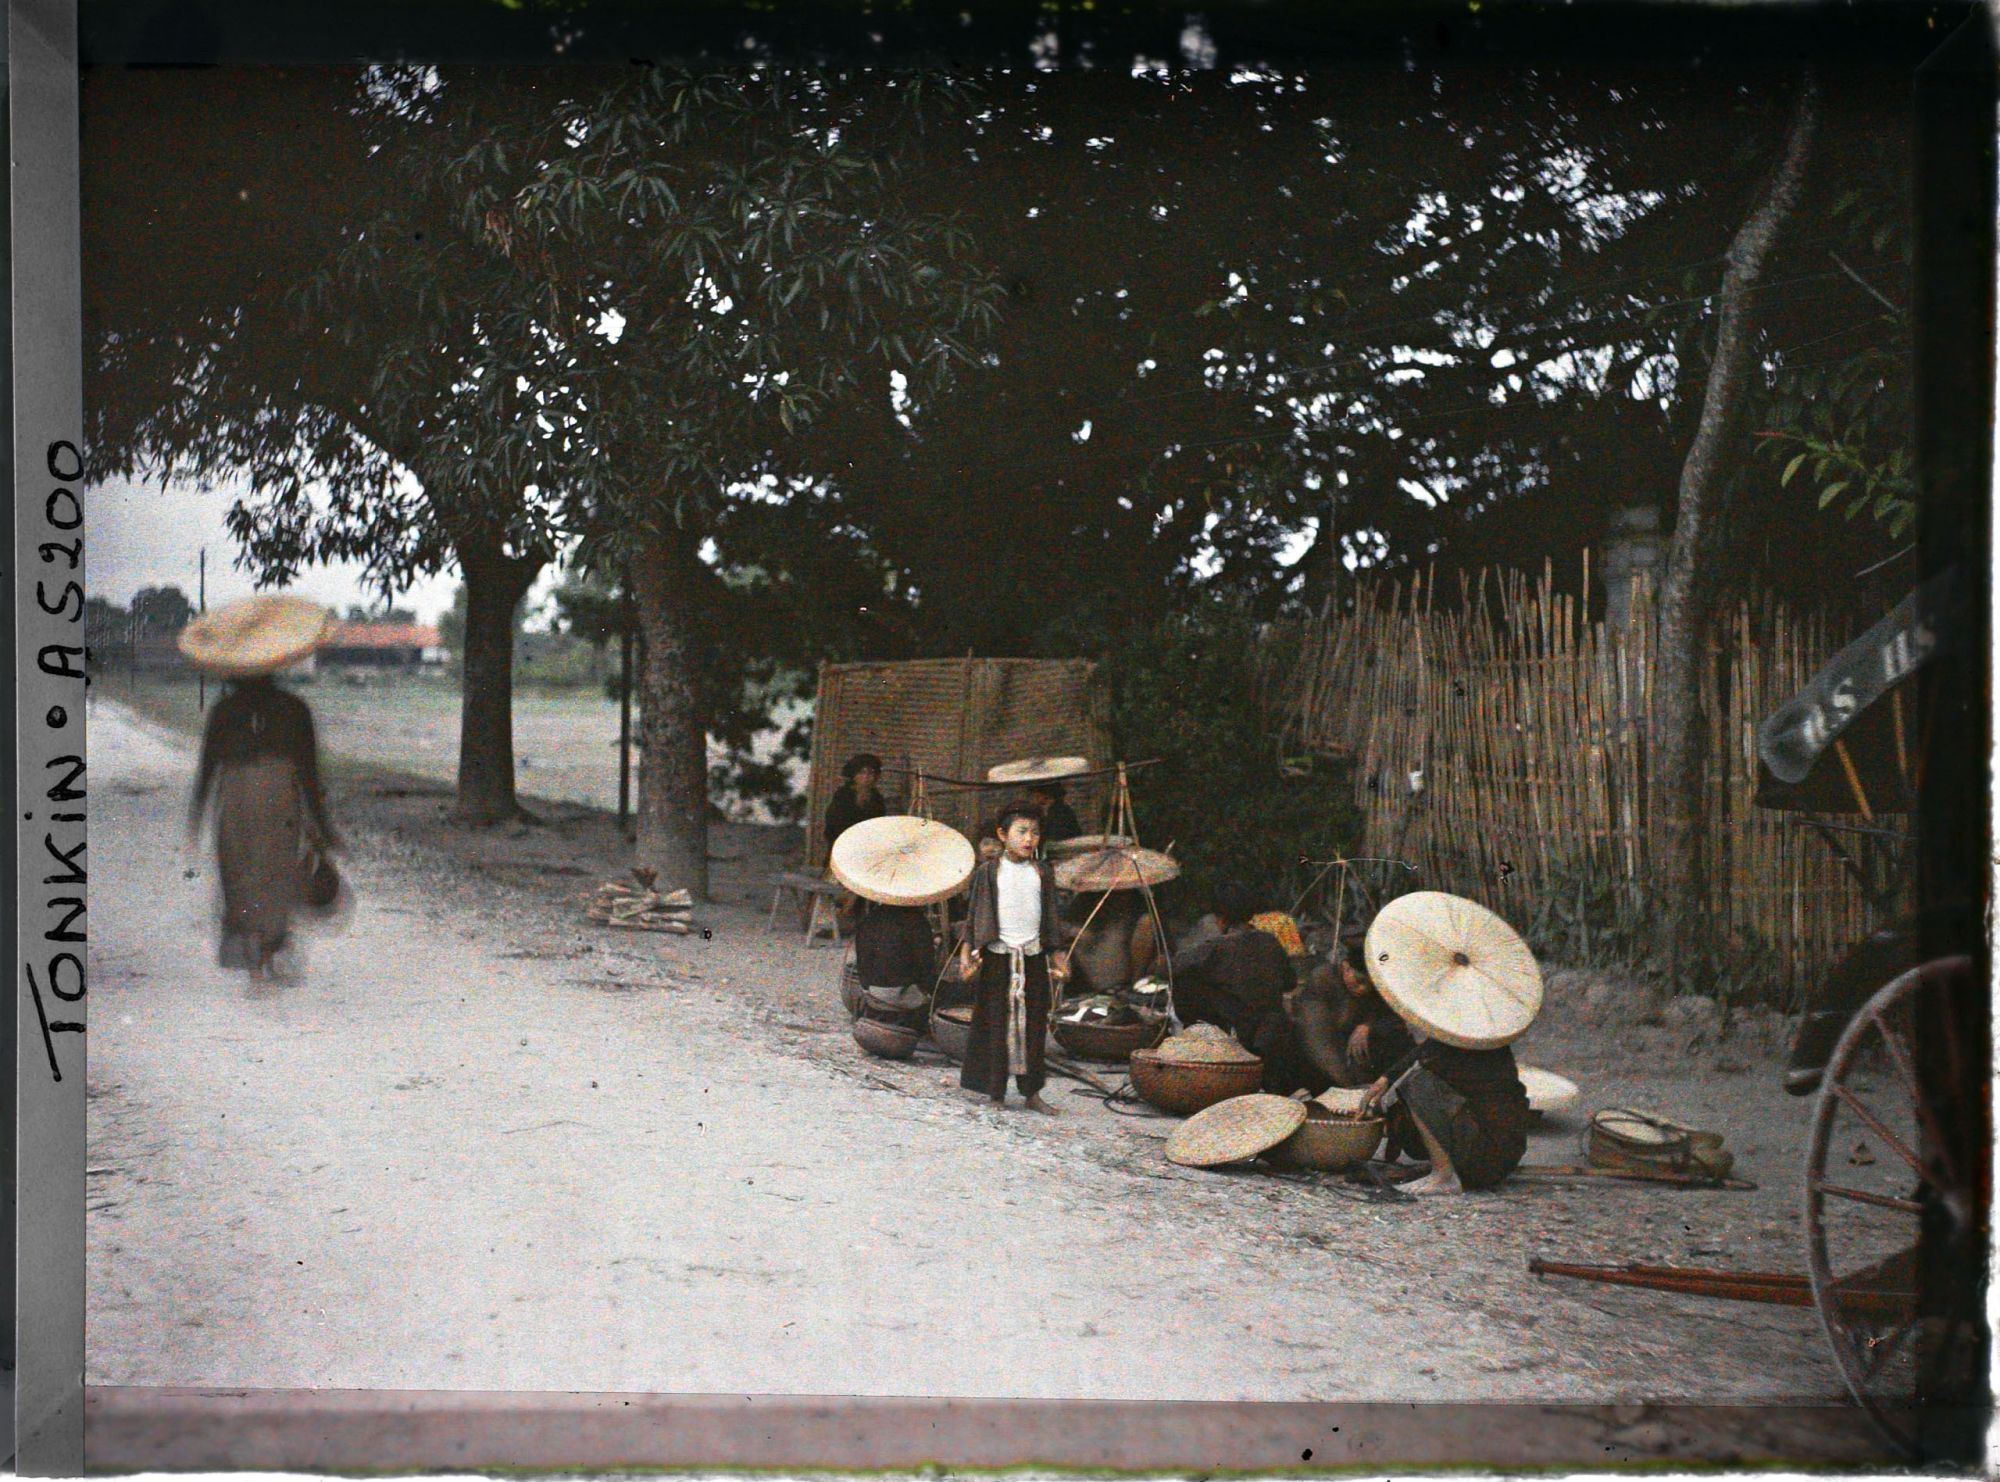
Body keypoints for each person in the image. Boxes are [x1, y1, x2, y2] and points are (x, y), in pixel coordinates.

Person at [188, 674, 339, 983]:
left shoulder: (225, 710)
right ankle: (266, 952)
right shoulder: (293, 708)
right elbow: (310, 773)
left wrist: (198, 814)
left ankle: (256, 959)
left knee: (239, 875)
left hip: (236, 797)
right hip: (279, 796)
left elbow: (208, 768)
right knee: (274, 874)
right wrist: (322, 824)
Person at [956, 807, 1067, 1114]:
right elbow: (973, 915)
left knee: (1034, 1024)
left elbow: (1052, 916)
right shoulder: (988, 873)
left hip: (1032, 956)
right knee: (995, 1023)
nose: (1029, 839)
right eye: (1021, 831)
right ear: (1003, 835)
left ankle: (1032, 1093)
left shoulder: (1042, 872)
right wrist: (967, 952)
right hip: (998, 956)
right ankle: (995, 1093)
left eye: (1035, 832)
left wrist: (1057, 955)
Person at [1170, 882, 1325, 1096]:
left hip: (1239, 1036)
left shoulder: (1215, 948)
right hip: (1270, 1033)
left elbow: (1175, 968)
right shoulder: (1269, 941)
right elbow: (1289, 981)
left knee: (1187, 984)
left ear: (1220, 920)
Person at [1362, 1025, 1531, 1197]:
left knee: (1418, 1083)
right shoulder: (1474, 1036)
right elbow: (1428, 1049)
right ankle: (1448, 1167)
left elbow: (1427, 1065)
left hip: (1490, 1157)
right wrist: (1386, 1078)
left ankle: (1443, 1176)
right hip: (1498, 1155)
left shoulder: (1474, 1044)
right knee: (1414, 1085)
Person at [853, 901, 938, 1022]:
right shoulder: (917, 921)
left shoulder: (869, 918)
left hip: (871, 991)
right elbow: (927, 968)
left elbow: (862, 962)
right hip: (903, 993)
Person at [824, 753, 886, 851]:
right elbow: (832, 824)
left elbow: (879, 824)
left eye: (871, 773)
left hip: (867, 847)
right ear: (854, 775)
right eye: (862, 772)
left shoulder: (877, 798)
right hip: (843, 845)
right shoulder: (843, 795)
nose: (866, 777)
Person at [1025, 780, 1082, 847]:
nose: (1033, 798)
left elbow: (1055, 839)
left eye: (1035, 794)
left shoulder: (1060, 813)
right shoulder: (1044, 811)